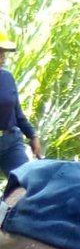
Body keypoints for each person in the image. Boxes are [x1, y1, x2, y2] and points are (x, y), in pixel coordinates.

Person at [0, 32, 42, 179]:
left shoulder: (6, 77)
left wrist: (32, 135)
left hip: (10, 141)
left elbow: (16, 112)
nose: (3, 57)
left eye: (4, 53)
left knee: (25, 185)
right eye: (0, 53)